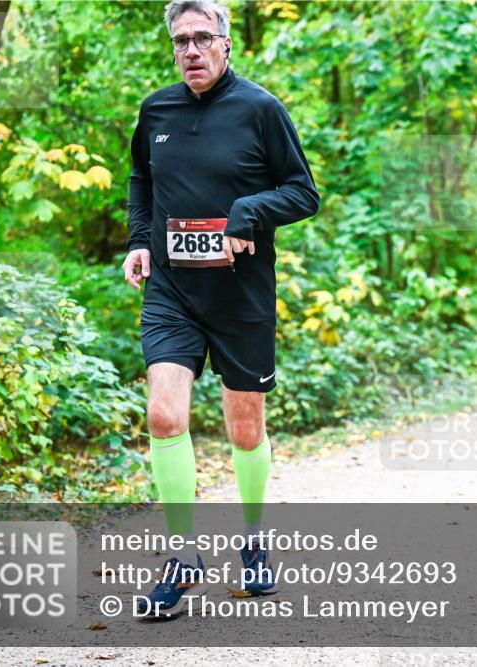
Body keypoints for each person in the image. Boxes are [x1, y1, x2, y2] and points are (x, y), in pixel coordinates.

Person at [122, 0, 319, 614]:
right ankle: (183, 557)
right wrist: (137, 239)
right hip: (173, 292)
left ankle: (254, 542)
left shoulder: (260, 110)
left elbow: (303, 192)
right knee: (162, 416)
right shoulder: (156, 109)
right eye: (181, 40)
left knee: (245, 427)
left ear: (226, 43)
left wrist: (247, 213)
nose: (191, 51)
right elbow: (141, 179)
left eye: (203, 38)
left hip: (242, 293)